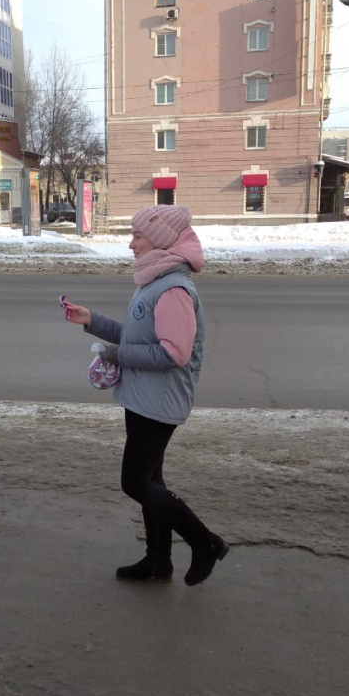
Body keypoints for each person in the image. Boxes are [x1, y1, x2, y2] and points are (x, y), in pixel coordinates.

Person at [61, 204, 228, 587]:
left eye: (138, 236)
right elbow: (139, 337)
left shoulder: (173, 290)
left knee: (135, 483)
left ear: (160, 240)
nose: (131, 243)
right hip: (143, 398)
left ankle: (206, 542)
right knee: (151, 480)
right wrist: (92, 320)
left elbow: (173, 353)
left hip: (159, 403)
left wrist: (117, 355)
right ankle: (158, 560)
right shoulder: (154, 281)